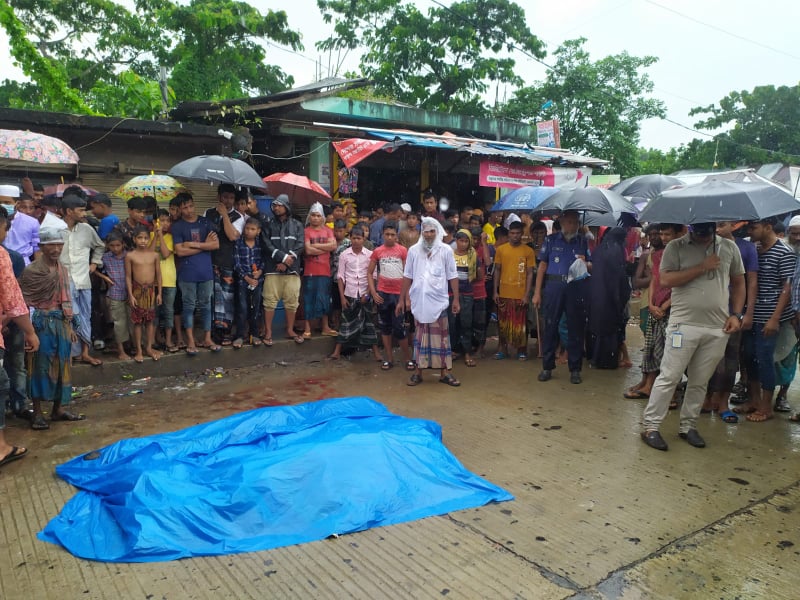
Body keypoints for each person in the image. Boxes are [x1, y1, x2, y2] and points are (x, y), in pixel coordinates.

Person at [640, 222, 745, 451]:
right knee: (669, 376)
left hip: (717, 328)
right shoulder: (675, 247)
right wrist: (702, 267)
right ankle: (650, 426)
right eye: (699, 225)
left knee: (699, 381)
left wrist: (736, 314)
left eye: (708, 225)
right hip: (682, 325)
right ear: (691, 225)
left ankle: (688, 426)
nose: (703, 229)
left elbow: (738, 282)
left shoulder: (728, 247)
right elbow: (665, 280)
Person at [20, 228, 84, 431]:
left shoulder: (62, 269)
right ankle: (37, 413)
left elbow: (67, 299)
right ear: (41, 246)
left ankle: (58, 409)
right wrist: (27, 331)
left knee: (63, 365)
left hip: (61, 323)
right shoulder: (32, 271)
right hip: (40, 323)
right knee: (39, 367)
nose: (56, 249)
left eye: (59, 244)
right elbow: (23, 302)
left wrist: (70, 324)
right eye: (51, 245)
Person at [734, 217, 796, 423]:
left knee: (764, 359)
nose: (750, 231)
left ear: (768, 227)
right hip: (752, 312)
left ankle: (766, 406)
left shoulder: (785, 252)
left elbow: (787, 288)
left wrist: (775, 318)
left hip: (770, 314)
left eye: (754, 227)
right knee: (749, 356)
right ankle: (754, 399)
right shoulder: (754, 248)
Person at [702, 221, 758, 419]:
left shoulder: (746, 248)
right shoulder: (705, 245)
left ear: (734, 225)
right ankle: (708, 397)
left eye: (722, 224)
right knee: (708, 360)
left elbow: (750, 282)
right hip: (708, 313)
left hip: (732, 313)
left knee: (731, 360)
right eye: (715, 225)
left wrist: (745, 312)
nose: (717, 229)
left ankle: (723, 401)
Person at [396, 217, 461, 387]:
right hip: (419, 302)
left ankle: (444, 373)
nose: (429, 235)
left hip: (439, 302)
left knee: (442, 340)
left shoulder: (446, 250)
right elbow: (407, 276)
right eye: (426, 231)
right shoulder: (414, 251)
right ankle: (418, 373)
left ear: (437, 232)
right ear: (422, 232)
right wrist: (403, 299)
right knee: (420, 338)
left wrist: (456, 299)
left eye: (432, 231)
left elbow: (453, 276)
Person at [532, 211, 591, 384]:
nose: (572, 226)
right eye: (569, 222)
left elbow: (591, 267)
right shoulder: (550, 240)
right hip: (554, 288)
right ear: (562, 222)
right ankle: (547, 367)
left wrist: (585, 263)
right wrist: (537, 293)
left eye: (575, 222)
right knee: (550, 327)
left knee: (575, 329)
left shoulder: (582, 241)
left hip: (576, 288)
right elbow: (542, 266)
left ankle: (575, 369)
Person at [0, 210, 39, 464]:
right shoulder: (2, 255)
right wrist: (30, 331)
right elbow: (13, 301)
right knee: (0, 385)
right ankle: (1, 447)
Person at [625, 224, 681, 400]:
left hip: (671, 307)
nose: (662, 237)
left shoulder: (681, 256)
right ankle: (647, 383)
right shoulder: (656, 255)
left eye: (666, 234)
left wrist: (664, 307)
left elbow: (682, 285)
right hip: (655, 304)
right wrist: (651, 304)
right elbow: (655, 280)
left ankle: (660, 388)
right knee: (651, 347)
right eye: (660, 234)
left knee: (666, 350)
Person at [59, 194, 105, 366]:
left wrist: (94, 263)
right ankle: (69, 354)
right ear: (69, 211)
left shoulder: (87, 229)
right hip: (64, 280)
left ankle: (85, 353)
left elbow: (100, 246)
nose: (84, 213)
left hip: (83, 279)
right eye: (80, 210)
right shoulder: (57, 229)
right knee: (69, 317)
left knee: (85, 315)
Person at [171, 195, 220, 355]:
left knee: (206, 306)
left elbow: (216, 244)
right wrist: (204, 246)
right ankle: (190, 340)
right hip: (187, 273)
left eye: (191, 206)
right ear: (179, 210)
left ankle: (207, 338)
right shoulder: (177, 227)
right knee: (189, 306)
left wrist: (192, 244)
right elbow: (179, 251)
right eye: (185, 207)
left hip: (206, 272)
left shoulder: (205, 222)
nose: (189, 210)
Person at [328, 225, 382, 362]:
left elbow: (374, 276)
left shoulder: (370, 255)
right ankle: (337, 351)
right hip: (350, 293)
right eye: (354, 238)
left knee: (369, 323)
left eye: (359, 238)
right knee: (345, 322)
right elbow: (340, 277)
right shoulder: (344, 255)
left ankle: (376, 353)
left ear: (364, 239)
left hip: (365, 292)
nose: (356, 241)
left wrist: (369, 294)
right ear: (350, 238)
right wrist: (342, 297)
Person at [367, 220, 411, 371]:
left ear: (397, 236)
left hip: (398, 295)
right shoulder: (378, 251)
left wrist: (406, 297)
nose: (390, 237)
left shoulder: (403, 251)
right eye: (387, 234)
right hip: (383, 294)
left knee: (400, 328)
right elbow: (369, 272)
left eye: (393, 234)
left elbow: (408, 274)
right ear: (382, 234)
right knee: (385, 328)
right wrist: (373, 292)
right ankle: (389, 359)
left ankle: (407, 359)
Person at [261, 194, 304, 345]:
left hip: (292, 270)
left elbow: (300, 245)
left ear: (286, 206)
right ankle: (268, 331)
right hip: (272, 269)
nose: (275, 208)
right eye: (274, 205)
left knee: (292, 302)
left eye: (279, 205)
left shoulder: (297, 225)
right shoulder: (267, 224)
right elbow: (266, 245)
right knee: (269, 301)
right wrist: (282, 258)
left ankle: (290, 329)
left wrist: (286, 262)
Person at [204, 183, 243, 345]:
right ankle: (213, 332)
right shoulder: (207, 213)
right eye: (225, 197)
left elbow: (232, 236)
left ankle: (226, 331)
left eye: (231, 198)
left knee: (227, 298)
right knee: (212, 298)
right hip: (209, 261)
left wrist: (225, 215)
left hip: (228, 262)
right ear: (218, 197)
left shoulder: (238, 217)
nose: (228, 201)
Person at [493, 221, 536, 361]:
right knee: (502, 323)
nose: (515, 236)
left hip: (520, 294)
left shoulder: (528, 251)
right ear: (508, 234)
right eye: (512, 233)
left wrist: (526, 294)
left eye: (518, 233)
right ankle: (502, 349)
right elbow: (497, 271)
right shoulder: (501, 250)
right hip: (504, 292)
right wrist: (495, 291)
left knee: (521, 324)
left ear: (522, 234)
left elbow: (530, 273)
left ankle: (521, 350)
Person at [589, 228, 631, 369]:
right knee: (611, 330)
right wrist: (620, 298)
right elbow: (619, 277)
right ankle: (608, 361)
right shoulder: (616, 250)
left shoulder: (599, 249)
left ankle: (596, 358)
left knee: (599, 329)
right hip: (612, 297)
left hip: (597, 296)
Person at [125, 226, 162, 363]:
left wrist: (160, 294)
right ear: (134, 239)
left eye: (146, 238)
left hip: (151, 291)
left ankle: (149, 348)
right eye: (140, 237)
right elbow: (128, 277)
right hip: (137, 291)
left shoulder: (154, 255)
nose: (143, 241)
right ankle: (139, 350)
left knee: (150, 321)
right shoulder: (130, 256)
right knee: (138, 322)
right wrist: (131, 294)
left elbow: (159, 275)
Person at [302, 202, 338, 338]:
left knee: (324, 299)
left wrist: (315, 245)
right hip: (310, 271)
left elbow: (333, 246)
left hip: (325, 271)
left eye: (318, 215)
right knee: (308, 298)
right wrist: (325, 246)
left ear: (322, 217)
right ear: (309, 217)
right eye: (313, 215)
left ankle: (325, 327)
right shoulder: (306, 231)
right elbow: (307, 250)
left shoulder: (328, 230)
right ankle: (307, 328)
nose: (316, 218)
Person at [151, 208, 183, 353]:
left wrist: (161, 237)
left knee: (168, 311)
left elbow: (164, 254)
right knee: (154, 312)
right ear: (155, 222)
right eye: (161, 220)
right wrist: (156, 236)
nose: (165, 223)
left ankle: (169, 340)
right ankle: (155, 339)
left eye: (167, 220)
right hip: (152, 281)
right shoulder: (148, 236)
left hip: (169, 279)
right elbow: (150, 254)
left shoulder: (171, 237)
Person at [450, 229, 482, 367]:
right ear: (456, 241)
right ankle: (453, 350)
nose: (463, 244)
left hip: (467, 294)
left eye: (466, 241)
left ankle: (467, 352)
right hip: (450, 294)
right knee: (451, 324)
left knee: (466, 323)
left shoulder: (473, 255)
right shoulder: (449, 255)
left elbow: (478, 277)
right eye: (460, 240)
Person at [97, 232, 131, 360]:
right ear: (107, 245)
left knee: (132, 322)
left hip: (130, 293)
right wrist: (105, 277)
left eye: (118, 245)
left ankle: (132, 346)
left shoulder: (129, 256)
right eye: (112, 245)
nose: (116, 248)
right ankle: (121, 350)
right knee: (118, 323)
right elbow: (93, 268)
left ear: (123, 244)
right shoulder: (105, 258)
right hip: (114, 293)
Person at [233, 217, 265, 347]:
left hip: (257, 282)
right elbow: (236, 263)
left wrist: (260, 272)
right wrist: (247, 278)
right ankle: (240, 335)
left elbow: (264, 261)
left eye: (252, 229)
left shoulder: (260, 244)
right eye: (247, 228)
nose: (249, 231)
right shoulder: (238, 243)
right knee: (242, 308)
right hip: (242, 281)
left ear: (258, 231)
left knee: (256, 308)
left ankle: (255, 334)